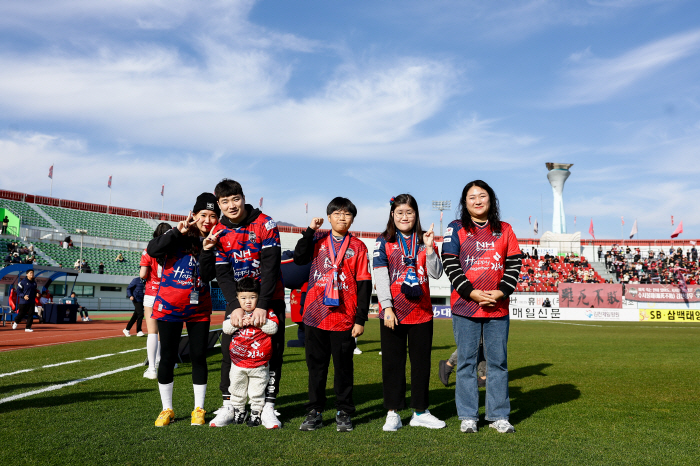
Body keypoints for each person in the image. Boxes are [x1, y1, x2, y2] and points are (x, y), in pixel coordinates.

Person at [441, 180, 522, 434]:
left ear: (491, 199)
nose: (477, 200)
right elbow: (450, 264)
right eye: (471, 197)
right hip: (465, 306)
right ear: (465, 203)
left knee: (498, 362)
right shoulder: (455, 228)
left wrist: (499, 292)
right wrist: (473, 293)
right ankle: (468, 416)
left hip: (497, 307)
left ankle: (498, 415)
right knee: (466, 362)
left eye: (482, 195)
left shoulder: (505, 230)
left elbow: (515, 264)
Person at [204, 179, 285, 429]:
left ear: (243, 197)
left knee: (272, 353)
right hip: (237, 302)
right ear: (219, 204)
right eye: (225, 201)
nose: (231, 205)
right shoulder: (218, 230)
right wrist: (233, 304)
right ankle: (230, 404)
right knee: (230, 351)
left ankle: (268, 406)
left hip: (269, 299)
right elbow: (223, 272)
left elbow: (271, 268)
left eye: (235, 199)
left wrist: (262, 304)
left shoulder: (265, 223)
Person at [294, 197, 371, 432]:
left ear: (352, 219)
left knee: (343, 368)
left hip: (344, 318)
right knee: (316, 368)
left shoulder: (358, 247)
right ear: (328, 217)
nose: (342, 218)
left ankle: (344, 411)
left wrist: (360, 319)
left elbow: (364, 284)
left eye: (347, 214)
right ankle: (314, 411)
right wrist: (309, 231)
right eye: (337, 213)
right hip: (315, 316)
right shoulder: (317, 239)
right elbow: (298, 257)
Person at [373, 194, 445, 431]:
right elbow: (381, 275)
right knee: (393, 364)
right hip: (393, 313)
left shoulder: (424, 239)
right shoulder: (383, 240)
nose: (405, 217)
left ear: (416, 215)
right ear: (393, 215)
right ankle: (393, 412)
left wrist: (430, 248)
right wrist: (387, 307)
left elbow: (435, 274)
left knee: (421, 364)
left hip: (421, 313)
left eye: (409, 212)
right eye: (400, 212)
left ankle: (420, 411)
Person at [147, 193, 220, 427]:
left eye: (212, 216)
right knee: (168, 356)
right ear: (194, 215)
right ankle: (166, 409)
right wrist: (177, 232)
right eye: (203, 215)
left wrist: (208, 250)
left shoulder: (217, 239)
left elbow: (209, 276)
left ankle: (198, 408)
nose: (207, 220)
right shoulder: (177, 235)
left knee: (199, 356)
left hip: (199, 308)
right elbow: (153, 250)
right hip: (169, 306)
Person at [220, 277, 279, 427]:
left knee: (257, 388)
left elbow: (273, 328)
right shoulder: (236, 314)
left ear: (258, 298)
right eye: (243, 298)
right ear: (237, 299)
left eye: (252, 298)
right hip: (238, 362)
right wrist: (238, 323)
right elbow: (226, 328)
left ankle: (256, 411)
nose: (248, 301)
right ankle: (239, 409)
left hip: (259, 362)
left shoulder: (264, 313)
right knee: (237, 387)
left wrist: (258, 322)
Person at [140, 222, 174, 380]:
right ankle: (165, 360)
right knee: (165, 331)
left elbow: (142, 274)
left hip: (152, 293)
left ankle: (152, 368)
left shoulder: (148, 250)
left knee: (152, 332)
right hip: (169, 293)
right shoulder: (174, 251)